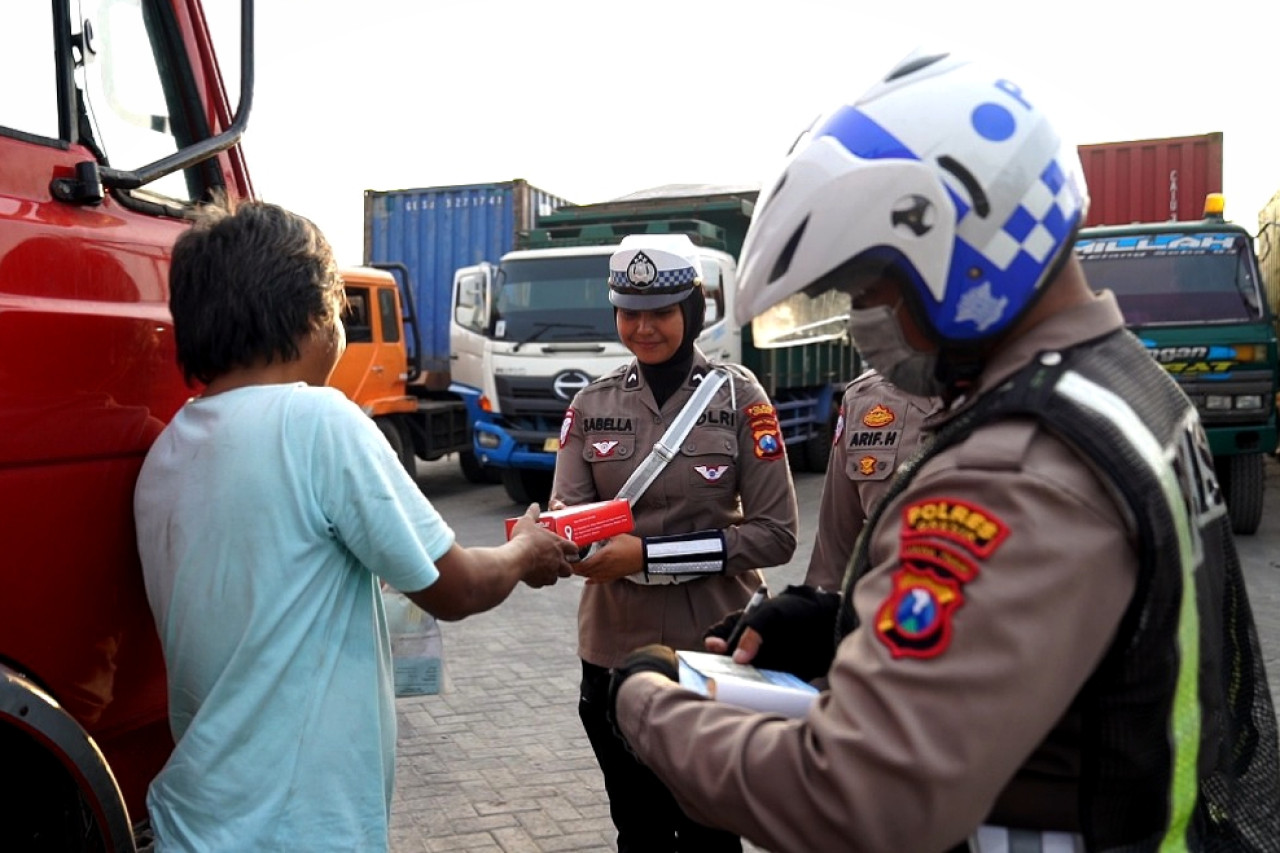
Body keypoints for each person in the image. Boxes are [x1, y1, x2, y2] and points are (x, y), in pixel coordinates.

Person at [608, 51, 1280, 852]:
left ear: (960, 256)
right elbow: (1056, 624)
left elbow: (859, 795)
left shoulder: (1013, 470)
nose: (864, 320)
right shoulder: (1129, 386)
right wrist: (846, 622)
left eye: (869, 289)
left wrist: (649, 700)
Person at [133, 199, 578, 852]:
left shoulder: (166, 452)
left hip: (194, 817)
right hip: (296, 829)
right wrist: (523, 553)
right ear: (312, 316)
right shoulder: (318, 420)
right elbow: (453, 588)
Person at [551, 234, 799, 852]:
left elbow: (776, 534)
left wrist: (649, 555)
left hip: (713, 647)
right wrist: (559, 539)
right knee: (637, 828)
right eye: (628, 313)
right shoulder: (590, 403)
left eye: (660, 312)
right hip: (613, 646)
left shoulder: (742, 400)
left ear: (692, 312)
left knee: (711, 833)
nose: (643, 328)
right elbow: (569, 511)